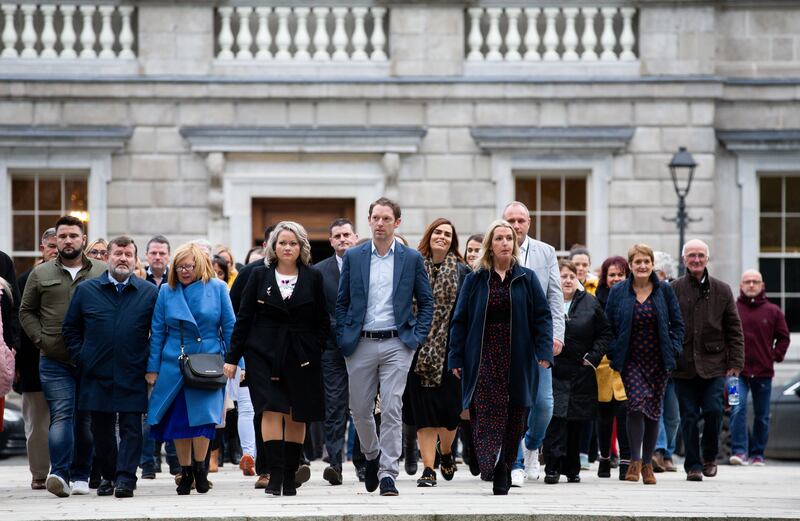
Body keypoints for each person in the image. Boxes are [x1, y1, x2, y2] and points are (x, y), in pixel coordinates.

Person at [335, 197, 434, 497]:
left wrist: (415, 338)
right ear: (369, 220)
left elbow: (426, 302)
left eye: (386, 219)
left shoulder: (410, 258)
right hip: (360, 342)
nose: (380, 223)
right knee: (361, 410)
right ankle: (371, 455)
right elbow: (342, 302)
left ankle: (388, 473)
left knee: (392, 407)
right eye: (376, 218)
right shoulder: (354, 256)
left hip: (397, 343)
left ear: (397, 223)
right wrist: (344, 335)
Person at [224, 221, 329, 496]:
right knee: (270, 409)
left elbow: (322, 321)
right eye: (282, 242)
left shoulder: (313, 277)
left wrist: (315, 348)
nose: (287, 247)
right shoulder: (258, 276)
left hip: (301, 354)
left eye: (293, 243)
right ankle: (274, 473)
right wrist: (232, 358)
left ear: (301, 247)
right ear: (273, 246)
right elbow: (243, 319)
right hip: (263, 354)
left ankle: (291, 475)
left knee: (296, 413)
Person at [449, 220, 552, 495]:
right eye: (499, 238)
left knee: (516, 412)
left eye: (509, 238)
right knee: (484, 410)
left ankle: (505, 466)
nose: (505, 242)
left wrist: (543, 352)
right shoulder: (475, 279)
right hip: (482, 354)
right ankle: (488, 461)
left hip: (518, 354)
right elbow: (459, 321)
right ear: (490, 246)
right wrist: (455, 357)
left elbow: (542, 317)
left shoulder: (527, 278)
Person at [62, 236, 159, 498]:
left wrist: (149, 361)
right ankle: (108, 474)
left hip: (132, 369)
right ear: (107, 257)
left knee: (131, 427)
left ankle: (126, 478)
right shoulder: (86, 290)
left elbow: (159, 331)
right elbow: (70, 329)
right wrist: (82, 356)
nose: (123, 258)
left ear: (135, 259)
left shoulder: (149, 292)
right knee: (101, 429)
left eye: (128, 254)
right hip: (95, 371)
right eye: (118, 253)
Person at [19, 215, 107, 498]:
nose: (68, 240)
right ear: (55, 241)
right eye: (63, 236)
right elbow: (26, 311)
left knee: (85, 418)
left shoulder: (101, 272)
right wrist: (40, 338)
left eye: (73, 235)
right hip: (54, 359)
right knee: (62, 414)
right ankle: (60, 473)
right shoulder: (40, 274)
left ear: (83, 239)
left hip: (92, 359)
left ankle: (81, 475)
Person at [145, 243, 235, 495]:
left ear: (200, 265)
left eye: (190, 266)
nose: (185, 271)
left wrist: (236, 362)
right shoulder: (166, 290)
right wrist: (152, 368)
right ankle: (185, 472)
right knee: (179, 422)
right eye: (180, 266)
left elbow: (230, 327)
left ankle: (200, 469)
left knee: (203, 420)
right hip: (175, 362)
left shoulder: (218, 288)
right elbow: (158, 331)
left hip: (208, 364)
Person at [605, 244, 684, 485]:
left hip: (658, 360)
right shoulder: (619, 291)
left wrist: (674, 348)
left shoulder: (664, 291)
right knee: (636, 406)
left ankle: (649, 464)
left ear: (652, 265)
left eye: (646, 262)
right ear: (630, 265)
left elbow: (677, 324)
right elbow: (607, 326)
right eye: (637, 262)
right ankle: (635, 462)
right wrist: (612, 350)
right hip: (631, 359)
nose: (642, 266)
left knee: (653, 411)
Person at [403, 218, 470, 488]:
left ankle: (446, 452)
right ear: (429, 235)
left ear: (452, 241)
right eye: (437, 232)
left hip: (451, 350)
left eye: (447, 234)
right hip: (418, 351)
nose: (441, 237)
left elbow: (466, 314)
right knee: (424, 414)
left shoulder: (463, 272)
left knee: (450, 413)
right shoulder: (413, 266)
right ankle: (428, 469)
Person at [671, 239, 744, 481]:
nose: (696, 259)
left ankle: (709, 456)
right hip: (683, 366)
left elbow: (734, 329)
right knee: (689, 416)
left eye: (701, 255)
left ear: (707, 259)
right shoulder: (673, 289)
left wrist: (735, 363)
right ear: (684, 259)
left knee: (714, 411)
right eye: (691, 255)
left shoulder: (722, 290)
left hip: (714, 365)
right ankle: (692, 465)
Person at [502, 202, 564, 485]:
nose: (516, 226)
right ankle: (513, 463)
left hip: (538, 337)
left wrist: (557, 334)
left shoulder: (545, 252)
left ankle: (531, 444)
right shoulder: (497, 249)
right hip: (504, 338)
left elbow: (554, 296)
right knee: (511, 401)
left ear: (529, 222)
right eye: (510, 220)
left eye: (520, 220)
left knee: (544, 404)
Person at [542, 260, 611, 484]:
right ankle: (552, 467)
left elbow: (605, 333)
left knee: (575, 422)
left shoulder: (590, 303)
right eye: (563, 276)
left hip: (581, 371)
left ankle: (572, 469)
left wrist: (592, 357)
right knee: (555, 420)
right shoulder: (547, 302)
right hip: (553, 369)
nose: (568, 280)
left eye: (572, 276)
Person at [313, 218, 358, 486]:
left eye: (346, 235)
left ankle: (364, 462)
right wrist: (340, 331)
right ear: (330, 241)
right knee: (335, 407)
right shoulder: (319, 272)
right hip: (331, 348)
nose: (342, 239)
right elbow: (319, 312)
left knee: (363, 406)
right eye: (337, 236)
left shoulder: (368, 265)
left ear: (355, 237)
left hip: (365, 346)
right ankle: (335, 464)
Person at [730, 270, 789, 466]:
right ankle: (739, 451)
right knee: (736, 408)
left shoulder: (773, 311)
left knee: (762, 415)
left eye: (755, 282)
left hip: (764, 373)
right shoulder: (732, 309)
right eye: (747, 282)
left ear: (762, 285)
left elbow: (783, 338)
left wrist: (774, 356)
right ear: (741, 286)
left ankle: (757, 454)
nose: (752, 285)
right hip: (734, 373)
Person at [13, 229, 56, 490]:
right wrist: (15, 364)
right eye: (50, 245)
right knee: (37, 425)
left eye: (57, 245)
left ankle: (65, 470)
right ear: (42, 248)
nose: (54, 250)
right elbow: (15, 321)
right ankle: (39, 472)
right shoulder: (26, 279)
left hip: (67, 363)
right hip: (31, 362)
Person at [141, 234, 176, 478]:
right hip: (145, 354)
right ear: (146, 255)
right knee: (147, 411)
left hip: (171, 355)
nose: (157, 257)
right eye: (153, 253)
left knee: (172, 408)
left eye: (162, 253)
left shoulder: (175, 281)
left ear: (168, 255)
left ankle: (175, 462)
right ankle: (148, 462)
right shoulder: (138, 280)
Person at [594, 256, 631, 479]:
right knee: (604, 416)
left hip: (626, 363)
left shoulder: (633, 297)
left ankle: (626, 460)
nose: (616, 279)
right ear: (605, 278)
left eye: (620, 274)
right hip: (603, 364)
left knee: (625, 414)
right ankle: (605, 458)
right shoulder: (596, 299)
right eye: (612, 275)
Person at [652, 250, 680, 473]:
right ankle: (658, 451)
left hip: (674, 361)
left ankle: (668, 451)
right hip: (652, 362)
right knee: (657, 409)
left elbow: (679, 325)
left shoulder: (672, 291)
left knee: (673, 415)